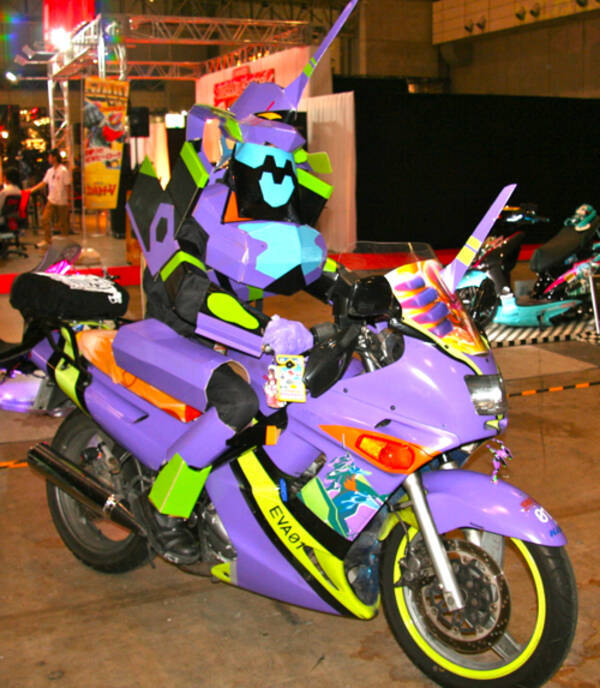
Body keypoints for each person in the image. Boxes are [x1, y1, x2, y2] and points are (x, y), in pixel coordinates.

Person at [27, 148, 72, 249]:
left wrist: (69, 200)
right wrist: (32, 189)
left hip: (62, 200)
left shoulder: (63, 171)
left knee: (63, 222)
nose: (48, 159)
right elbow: (44, 182)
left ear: (54, 157)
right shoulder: (50, 171)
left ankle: (65, 240)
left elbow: (68, 185)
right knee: (45, 219)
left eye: (50, 157)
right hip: (51, 199)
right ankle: (47, 240)